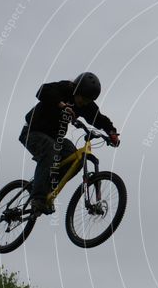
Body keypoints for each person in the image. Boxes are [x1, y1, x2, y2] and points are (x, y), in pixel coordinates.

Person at [19, 72, 120, 215]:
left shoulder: (87, 105)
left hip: (54, 138)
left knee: (75, 158)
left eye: (87, 100)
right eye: (82, 98)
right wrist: (61, 104)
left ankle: (48, 187)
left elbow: (99, 119)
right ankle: (38, 198)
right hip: (32, 132)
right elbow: (42, 91)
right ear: (76, 89)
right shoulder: (64, 88)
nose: (83, 103)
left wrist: (112, 132)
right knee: (50, 150)